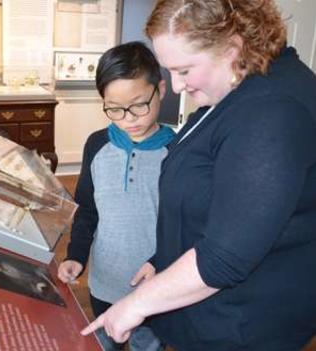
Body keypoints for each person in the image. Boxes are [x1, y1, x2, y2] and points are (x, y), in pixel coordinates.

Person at [81, 1, 316, 350]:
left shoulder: (272, 111)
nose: (176, 86)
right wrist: (162, 260)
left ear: (232, 48)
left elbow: (224, 256)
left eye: (185, 70)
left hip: (243, 327)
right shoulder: (237, 89)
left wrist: (135, 305)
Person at [57, 41, 175, 351]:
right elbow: (87, 210)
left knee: (147, 345)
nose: (128, 118)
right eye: (114, 109)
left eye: (139, 104)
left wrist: (159, 262)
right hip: (104, 283)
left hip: (155, 288)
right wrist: (76, 255)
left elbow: (181, 224)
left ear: (160, 89)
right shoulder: (96, 145)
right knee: (104, 344)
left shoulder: (178, 152)